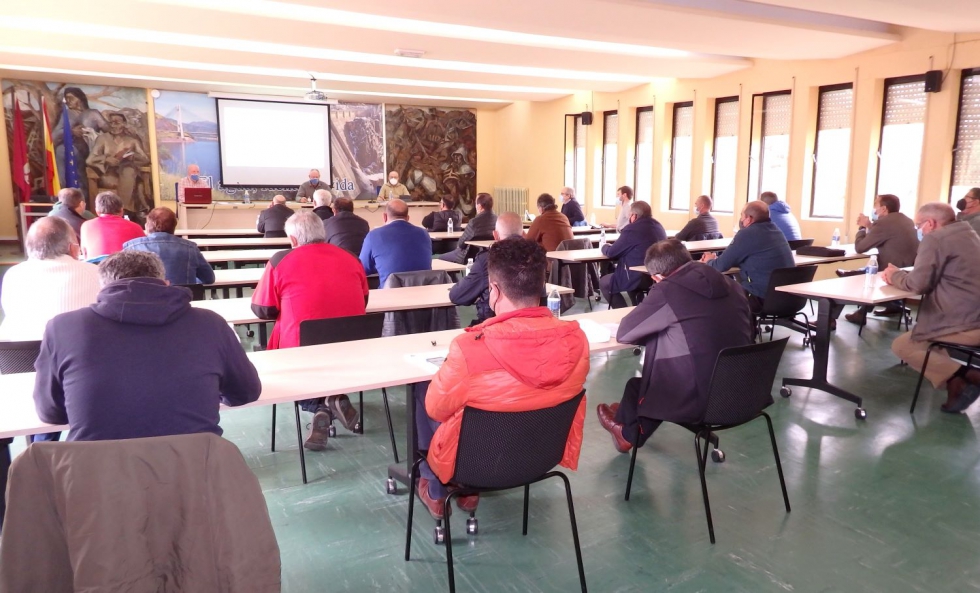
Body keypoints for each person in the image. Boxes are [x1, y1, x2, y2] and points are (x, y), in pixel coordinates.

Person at [414, 238, 589, 518]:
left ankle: (437, 489)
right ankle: (468, 494)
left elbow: (436, 409)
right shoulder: (577, 339)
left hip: (472, 465)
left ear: (493, 290)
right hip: (540, 457)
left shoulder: (470, 347)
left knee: (426, 391)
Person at [33, 251, 261, 442]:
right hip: (194, 477)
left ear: (102, 288)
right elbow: (246, 392)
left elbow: (51, 413)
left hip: (98, 482)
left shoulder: (62, 328)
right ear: (165, 283)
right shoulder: (210, 324)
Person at [596, 240, 753, 452]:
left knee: (640, 386)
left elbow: (625, 333)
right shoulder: (731, 283)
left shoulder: (668, 291)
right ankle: (627, 416)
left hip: (701, 398)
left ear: (657, 276)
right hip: (744, 388)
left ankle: (626, 433)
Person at [251, 212, 369, 449]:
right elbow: (364, 299)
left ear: (293, 240)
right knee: (317, 342)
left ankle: (319, 406)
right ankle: (336, 397)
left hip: (302, 351)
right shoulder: (351, 257)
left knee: (288, 346)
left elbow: (263, 309)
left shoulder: (280, 261)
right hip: (353, 349)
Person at [883, 203, 980, 414]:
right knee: (932, 347)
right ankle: (957, 386)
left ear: (930, 223)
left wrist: (894, 275)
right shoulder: (969, 233)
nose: (919, 230)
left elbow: (917, 285)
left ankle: (965, 376)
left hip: (964, 323)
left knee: (903, 346)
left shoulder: (936, 239)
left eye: (919, 225)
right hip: (974, 315)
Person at [0, 217, 100, 341]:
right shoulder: (94, 273)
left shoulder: (12, 275)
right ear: (73, 248)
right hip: (76, 355)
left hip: (20, 357)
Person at [838, 194, 918, 325]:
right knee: (866, 269)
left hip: (889, 271)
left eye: (876, 205)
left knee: (850, 278)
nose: (874, 209)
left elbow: (860, 247)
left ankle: (832, 319)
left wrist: (862, 227)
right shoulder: (906, 220)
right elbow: (883, 235)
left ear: (884, 209)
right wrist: (870, 225)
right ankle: (894, 306)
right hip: (908, 269)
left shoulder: (883, 223)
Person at [701, 200, 794, 312]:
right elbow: (742, 255)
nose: (740, 219)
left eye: (741, 216)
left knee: (717, 293)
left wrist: (709, 261)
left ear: (749, 218)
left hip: (761, 298)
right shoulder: (775, 230)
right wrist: (719, 258)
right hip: (788, 298)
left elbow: (719, 266)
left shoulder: (747, 233)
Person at [449, 212, 523, 325]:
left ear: (495, 235)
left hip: (493, 325)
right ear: (522, 233)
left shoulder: (487, 260)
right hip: (531, 326)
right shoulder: (535, 257)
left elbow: (458, 296)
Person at [124, 207, 215, 286]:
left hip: (143, 303)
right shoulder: (190, 249)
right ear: (174, 227)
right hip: (181, 302)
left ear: (147, 226)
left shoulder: (130, 248)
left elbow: (122, 281)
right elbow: (209, 278)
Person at [599, 201, 667, 308]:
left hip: (637, 276)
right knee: (631, 283)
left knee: (604, 283)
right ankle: (637, 308)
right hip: (657, 275)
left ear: (634, 216)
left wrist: (604, 246)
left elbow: (612, 253)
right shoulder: (659, 226)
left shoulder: (632, 229)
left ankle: (621, 312)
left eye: (629, 215)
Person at [85, 112, 151, 218]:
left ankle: (121, 209)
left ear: (124, 124)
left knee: (128, 170)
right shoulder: (103, 139)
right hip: (109, 175)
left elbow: (145, 159)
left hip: (128, 172)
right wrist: (106, 159)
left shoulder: (132, 140)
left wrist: (133, 157)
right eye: (111, 123)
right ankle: (122, 211)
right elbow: (90, 160)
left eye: (117, 122)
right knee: (130, 175)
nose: (113, 125)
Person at [359, 199, 432, 286]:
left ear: (385, 217)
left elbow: (362, 269)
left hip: (390, 295)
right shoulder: (424, 234)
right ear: (408, 218)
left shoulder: (374, 235)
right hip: (423, 294)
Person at [79, 191, 145, 259]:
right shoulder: (135, 227)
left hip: (97, 267)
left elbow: (85, 254)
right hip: (127, 267)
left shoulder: (86, 226)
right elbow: (145, 253)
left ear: (97, 212)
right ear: (122, 211)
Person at [439, 193, 496, 263]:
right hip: (488, 255)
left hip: (467, 254)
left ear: (480, 206)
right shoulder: (498, 220)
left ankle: (451, 274)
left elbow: (461, 243)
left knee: (440, 258)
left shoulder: (474, 222)